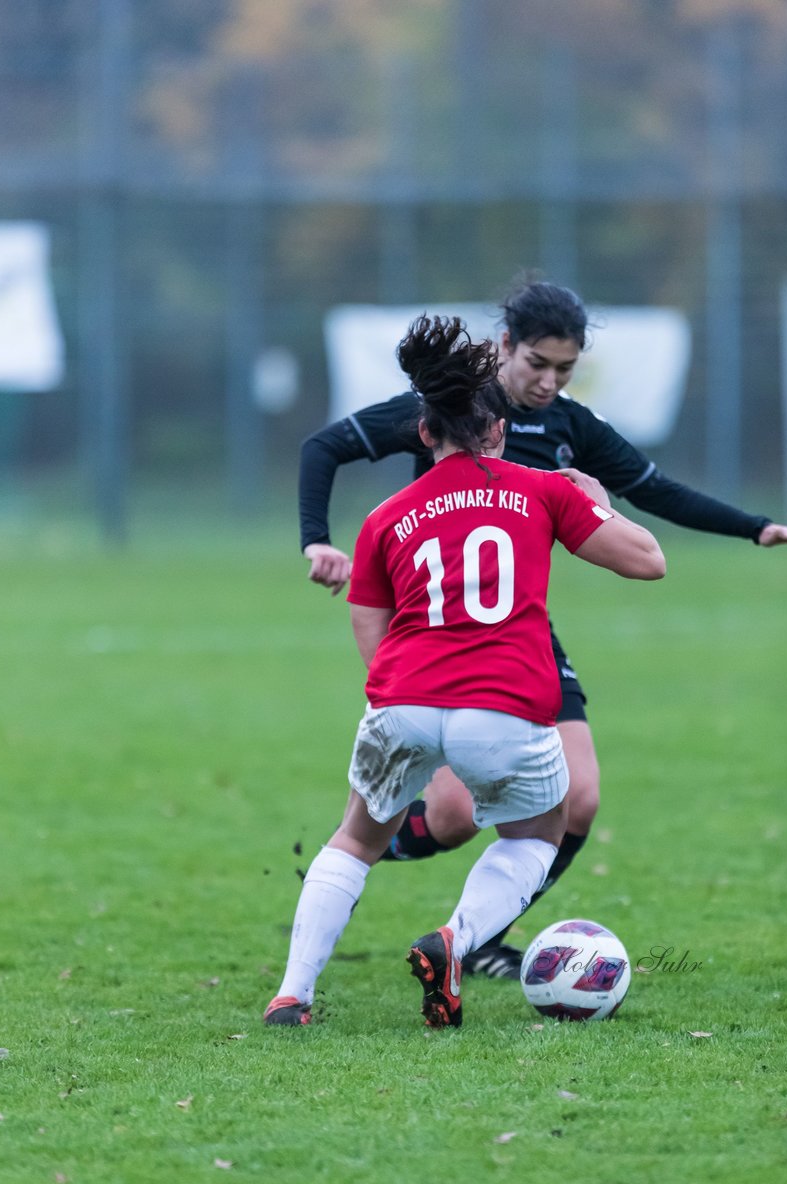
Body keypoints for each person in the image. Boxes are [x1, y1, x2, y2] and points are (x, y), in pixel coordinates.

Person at [298, 278, 787, 982]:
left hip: (519, 636)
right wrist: (316, 540)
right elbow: (325, 446)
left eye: (564, 370)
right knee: (453, 817)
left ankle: (478, 938)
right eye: (538, 365)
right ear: (506, 347)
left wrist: (756, 527)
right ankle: (384, 842)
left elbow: (655, 489)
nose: (548, 383)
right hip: (435, 636)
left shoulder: (570, 426)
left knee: (582, 797)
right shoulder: (448, 408)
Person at [265, 314, 665, 1028]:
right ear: (500, 430)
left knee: (357, 836)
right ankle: (456, 940)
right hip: (509, 704)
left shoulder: (388, 515)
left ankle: (292, 995)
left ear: (425, 434)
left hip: (404, 701)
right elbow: (648, 562)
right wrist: (600, 504)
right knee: (538, 833)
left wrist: (399, 702)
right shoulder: (545, 490)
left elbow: (366, 618)